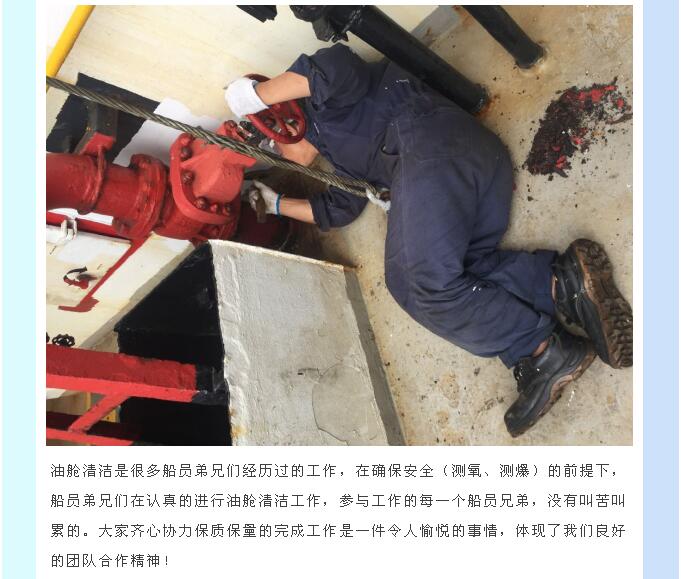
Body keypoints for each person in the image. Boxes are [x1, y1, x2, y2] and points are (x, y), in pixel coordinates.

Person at [225, 44, 633, 437]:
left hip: (431, 148)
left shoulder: (326, 103)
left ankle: (542, 350)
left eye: (271, 141)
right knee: (458, 273)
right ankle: (562, 283)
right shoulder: (342, 160)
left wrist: (255, 95)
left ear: (282, 121)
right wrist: (276, 204)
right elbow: (337, 209)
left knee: (418, 281)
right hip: (474, 168)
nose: (274, 152)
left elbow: (334, 68)